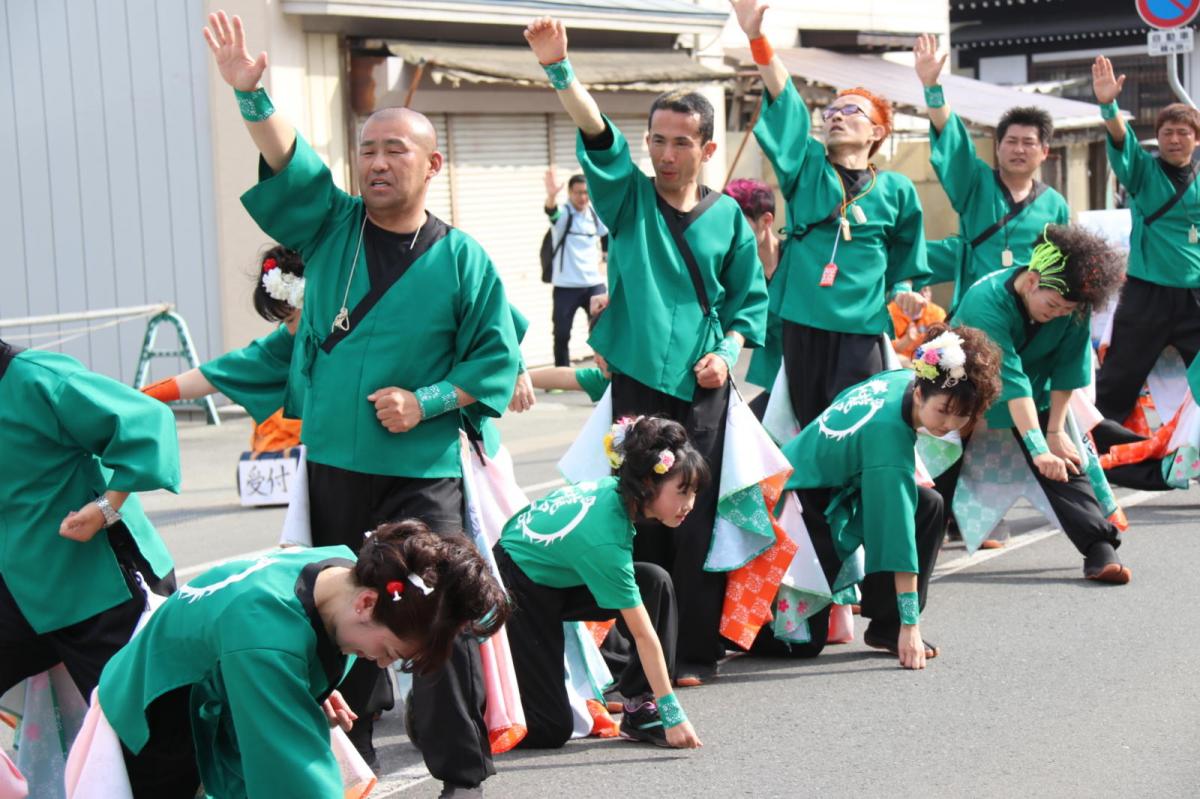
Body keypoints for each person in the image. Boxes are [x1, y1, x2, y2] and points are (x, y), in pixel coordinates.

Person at [204, 12, 521, 794]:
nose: (377, 164)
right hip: (337, 466)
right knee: (344, 618)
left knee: (435, 609)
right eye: (368, 150)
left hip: (421, 470)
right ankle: (353, 765)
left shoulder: (464, 258)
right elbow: (291, 163)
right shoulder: (333, 226)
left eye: (395, 150)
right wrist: (253, 97)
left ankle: (461, 771)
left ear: (431, 164)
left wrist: (428, 399)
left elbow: (497, 357)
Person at [524, 17, 768, 687]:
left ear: (707, 149)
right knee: (633, 511)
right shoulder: (627, 198)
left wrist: (726, 352)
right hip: (636, 386)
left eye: (680, 142)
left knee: (692, 516)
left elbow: (747, 304)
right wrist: (561, 71)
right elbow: (598, 137)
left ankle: (691, 651)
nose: (664, 153)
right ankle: (631, 653)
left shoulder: (727, 219)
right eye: (656, 140)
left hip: (704, 389)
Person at [98, 521, 510, 799]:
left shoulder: (342, 570)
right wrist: (279, 680)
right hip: (154, 721)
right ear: (368, 603)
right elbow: (294, 780)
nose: (382, 665)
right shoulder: (266, 639)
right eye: (387, 652)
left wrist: (299, 680)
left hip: (204, 677)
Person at [730, 0, 930, 434]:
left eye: (851, 111)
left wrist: (905, 289)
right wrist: (757, 39)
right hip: (803, 320)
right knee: (808, 428)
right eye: (831, 112)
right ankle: (813, 504)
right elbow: (785, 103)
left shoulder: (897, 189)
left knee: (859, 426)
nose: (836, 116)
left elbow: (904, 256)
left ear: (877, 132)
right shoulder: (805, 167)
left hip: (862, 326)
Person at [778, 325, 1001, 666]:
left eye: (961, 416)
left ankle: (887, 624)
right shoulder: (889, 436)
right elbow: (895, 537)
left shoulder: (901, 380)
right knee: (802, 642)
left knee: (928, 505)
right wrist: (912, 625)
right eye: (943, 410)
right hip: (797, 501)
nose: (948, 424)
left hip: (831, 488)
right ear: (920, 396)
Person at [495, 416, 704, 748]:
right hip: (517, 583)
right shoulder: (605, 539)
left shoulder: (616, 494)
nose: (690, 504)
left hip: (556, 574)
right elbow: (642, 633)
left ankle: (639, 708)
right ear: (649, 483)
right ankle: (455, 710)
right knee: (550, 728)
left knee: (655, 581)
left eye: (693, 492)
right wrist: (674, 715)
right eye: (682, 491)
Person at [946, 224, 1132, 584]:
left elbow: (1068, 368)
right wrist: (1038, 447)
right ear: (1032, 281)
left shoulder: (1073, 307)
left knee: (1065, 459)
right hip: (963, 388)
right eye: (1052, 305)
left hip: (1033, 391)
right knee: (938, 469)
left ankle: (1099, 548)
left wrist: (1055, 431)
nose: (1058, 313)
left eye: (1067, 309)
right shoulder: (987, 301)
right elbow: (1009, 379)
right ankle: (907, 555)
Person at [0, 337, 179, 702]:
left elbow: (144, 420)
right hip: (20, 589)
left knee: (146, 733)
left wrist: (106, 507)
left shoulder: (37, 378)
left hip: (100, 588)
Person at [1089, 56, 1200, 456]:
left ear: (1196, 139)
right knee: (1119, 377)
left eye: (1184, 133)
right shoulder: (1141, 172)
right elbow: (1122, 141)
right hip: (1147, 294)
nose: (1175, 139)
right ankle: (1094, 452)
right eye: (1168, 132)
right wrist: (1108, 105)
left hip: (1195, 297)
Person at [913, 34, 1071, 312]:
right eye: (1011, 141)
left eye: (1028, 143)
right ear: (997, 147)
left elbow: (1061, 265)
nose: (1019, 150)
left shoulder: (1055, 204)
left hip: (1028, 313)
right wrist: (931, 86)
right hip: (978, 306)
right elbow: (954, 143)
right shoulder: (975, 183)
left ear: (1044, 152)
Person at [141, 245, 303, 451]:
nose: (289, 327)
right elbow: (220, 372)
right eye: (285, 321)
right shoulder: (286, 342)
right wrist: (142, 396)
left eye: (289, 319)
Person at [724, 177, 781, 418]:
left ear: (766, 220)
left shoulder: (798, 263)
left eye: (740, 222)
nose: (730, 231)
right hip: (775, 388)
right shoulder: (730, 272)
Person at [544, 169, 608, 368]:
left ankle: (607, 374)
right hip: (566, 286)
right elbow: (551, 212)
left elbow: (606, 235)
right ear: (570, 193)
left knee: (603, 330)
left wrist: (606, 259)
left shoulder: (594, 214)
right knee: (562, 333)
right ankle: (560, 374)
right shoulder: (564, 215)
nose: (582, 197)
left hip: (593, 285)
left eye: (586, 193)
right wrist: (552, 195)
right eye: (578, 192)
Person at [890, 285, 947, 363]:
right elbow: (890, 350)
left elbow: (944, 344)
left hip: (928, 362)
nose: (923, 294)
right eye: (919, 289)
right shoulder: (891, 311)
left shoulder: (937, 312)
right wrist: (908, 338)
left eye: (926, 290)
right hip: (902, 363)